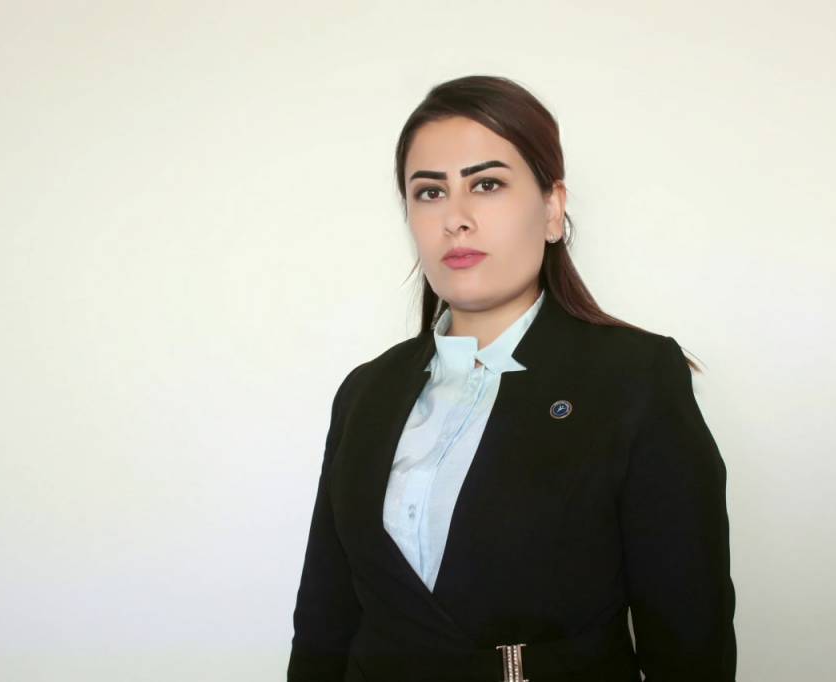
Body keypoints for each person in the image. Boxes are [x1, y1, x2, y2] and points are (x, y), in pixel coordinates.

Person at [286, 75, 737, 682]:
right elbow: (324, 623)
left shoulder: (635, 378)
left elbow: (689, 638)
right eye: (429, 193)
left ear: (551, 209)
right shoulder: (366, 392)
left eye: (487, 184)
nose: (456, 218)